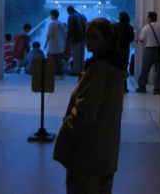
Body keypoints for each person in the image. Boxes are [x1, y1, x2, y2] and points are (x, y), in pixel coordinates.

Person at [53, 18, 128, 194]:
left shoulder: (99, 69)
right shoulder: (115, 67)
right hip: (106, 149)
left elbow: (84, 113)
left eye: (94, 37)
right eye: (87, 36)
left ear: (107, 39)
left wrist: (66, 128)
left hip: (88, 152)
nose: (88, 41)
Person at [136, 11, 160, 95]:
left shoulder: (146, 27)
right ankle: (157, 88)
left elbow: (141, 41)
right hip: (159, 49)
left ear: (150, 18)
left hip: (150, 50)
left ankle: (142, 87)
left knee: (145, 69)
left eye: (147, 17)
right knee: (159, 70)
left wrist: (137, 41)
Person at [114, 11, 135, 93]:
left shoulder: (115, 26)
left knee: (115, 68)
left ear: (120, 18)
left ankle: (116, 87)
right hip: (125, 49)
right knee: (124, 68)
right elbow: (132, 38)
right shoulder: (130, 28)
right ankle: (124, 87)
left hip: (116, 49)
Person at [44, 9, 67, 79]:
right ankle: (60, 73)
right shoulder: (61, 24)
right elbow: (65, 35)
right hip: (61, 44)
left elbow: (49, 36)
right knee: (59, 60)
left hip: (54, 45)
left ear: (53, 15)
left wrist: (45, 44)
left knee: (54, 61)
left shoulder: (52, 24)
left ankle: (57, 74)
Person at [66, 5, 87, 75]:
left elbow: (70, 29)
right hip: (83, 38)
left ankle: (75, 71)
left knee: (76, 56)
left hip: (75, 39)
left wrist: (68, 38)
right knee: (81, 55)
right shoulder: (83, 16)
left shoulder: (71, 17)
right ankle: (81, 70)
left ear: (68, 11)